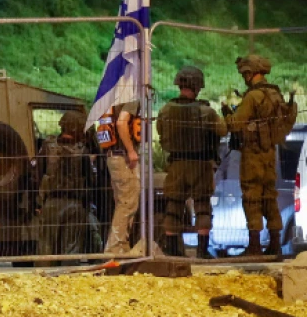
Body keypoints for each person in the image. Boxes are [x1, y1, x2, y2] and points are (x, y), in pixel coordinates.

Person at [156, 66, 227, 259]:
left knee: (174, 205)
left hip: (177, 164)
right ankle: (202, 252)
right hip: (200, 164)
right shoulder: (206, 112)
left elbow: (161, 132)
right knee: (202, 205)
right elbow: (222, 131)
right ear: (197, 87)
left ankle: (172, 250)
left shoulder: (165, 110)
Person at [225, 55, 289, 256]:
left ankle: (254, 246)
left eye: (245, 73)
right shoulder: (275, 94)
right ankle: (275, 243)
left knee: (252, 195)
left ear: (250, 73)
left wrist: (227, 114)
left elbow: (236, 124)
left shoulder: (253, 97)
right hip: (271, 153)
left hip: (252, 153)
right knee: (270, 196)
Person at [35, 110, 101, 264]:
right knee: (72, 248)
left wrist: (37, 203)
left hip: (50, 203)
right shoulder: (82, 151)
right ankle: (68, 278)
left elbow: (36, 176)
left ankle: (43, 277)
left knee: (46, 246)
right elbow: (91, 182)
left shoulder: (47, 147)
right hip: (75, 205)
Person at [102, 100, 143, 255]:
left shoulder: (112, 97)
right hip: (123, 157)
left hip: (113, 156)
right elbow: (121, 123)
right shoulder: (131, 98)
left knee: (123, 203)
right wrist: (131, 150)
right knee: (128, 203)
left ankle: (120, 246)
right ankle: (116, 248)